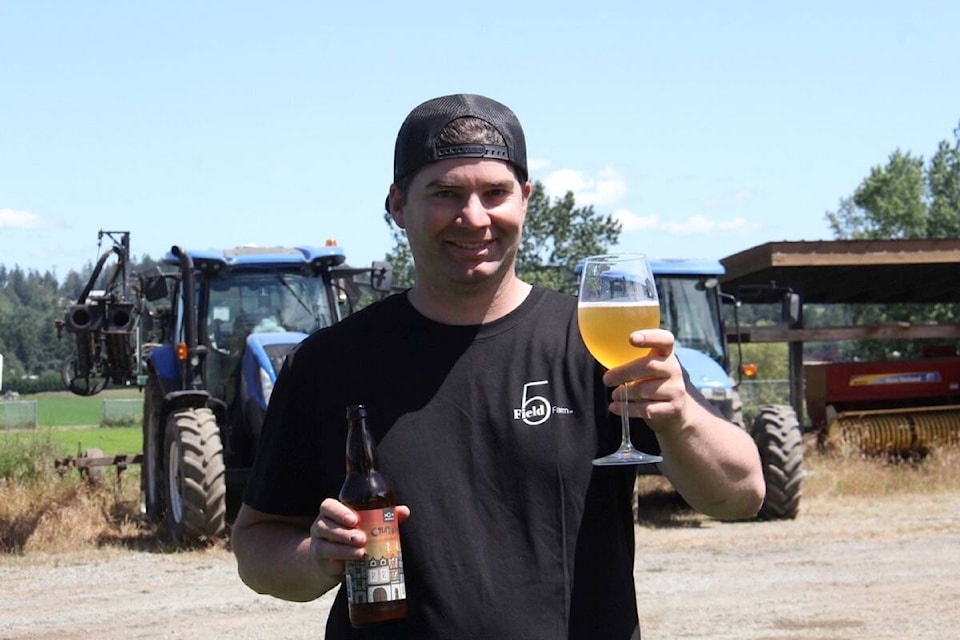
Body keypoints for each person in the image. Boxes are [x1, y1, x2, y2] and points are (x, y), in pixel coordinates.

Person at [231, 93, 765, 639]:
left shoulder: (596, 344)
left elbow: (741, 494)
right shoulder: (329, 362)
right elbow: (257, 544)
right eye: (445, 193)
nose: (474, 217)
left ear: (526, 199)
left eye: (495, 193)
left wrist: (680, 421)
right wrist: (315, 559)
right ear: (397, 205)